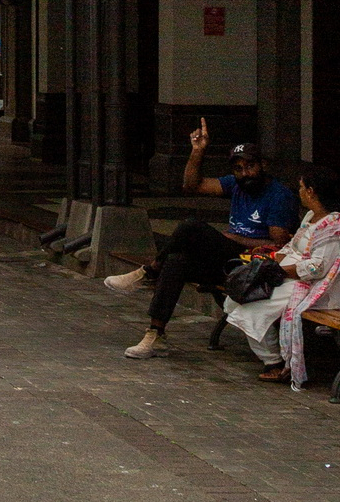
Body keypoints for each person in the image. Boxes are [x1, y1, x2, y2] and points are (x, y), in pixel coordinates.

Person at [106, 120, 301, 358]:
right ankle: (155, 334)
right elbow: (192, 186)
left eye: (250, 166)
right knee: (176, 261)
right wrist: (197, 151)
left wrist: (235, 238)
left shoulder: (279, 196)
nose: (245, 173)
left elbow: (279, 246)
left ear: (263, 165)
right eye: (238, 168)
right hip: (231, 262)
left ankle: (149, 271)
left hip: (256, 266)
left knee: (191, 227)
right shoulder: (236, 184)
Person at [222, 166, 340, 390]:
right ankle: (273, 356)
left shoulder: (335, 227)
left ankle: (275, 362)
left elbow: (316, 268)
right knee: (236, 297)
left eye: (302, 187)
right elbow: (293, 246)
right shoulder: (311, 216)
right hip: (290, 277)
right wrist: (275, 259)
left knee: (251, 308)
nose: (299, 192)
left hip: (315, 289)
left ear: (311, 192)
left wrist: (281, 270)